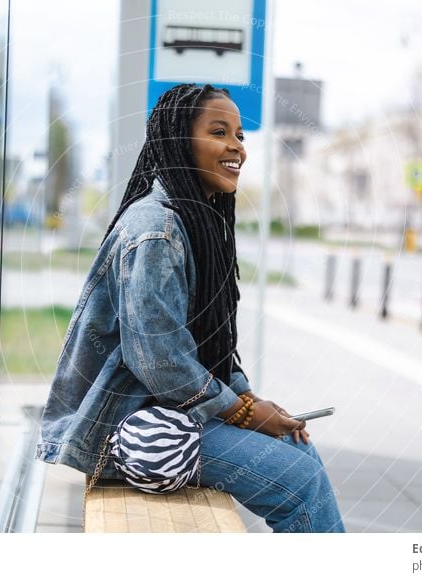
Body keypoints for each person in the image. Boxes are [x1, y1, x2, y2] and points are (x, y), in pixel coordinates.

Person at [37, 83, 344, 533]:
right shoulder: (156, 229)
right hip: (130, 428)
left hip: (171, 408)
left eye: (240, 135)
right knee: (301, 483)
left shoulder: (192, 219)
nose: (236, 146)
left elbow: (207, 347)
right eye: (219, 132)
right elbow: (159, 361)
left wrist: (251, 401)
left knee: (299, 447)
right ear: (179, 140)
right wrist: (239, 411)